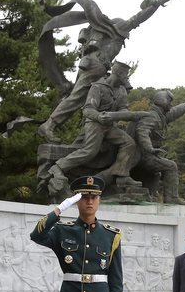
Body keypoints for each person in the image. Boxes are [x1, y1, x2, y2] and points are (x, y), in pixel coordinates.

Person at [37, 0, 185, 142]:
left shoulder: (102, 37)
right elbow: (137, 19)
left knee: (87, 98)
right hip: (97, 66)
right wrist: (156, 5)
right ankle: (49, 125)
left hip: (93, 65)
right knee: (77, 98)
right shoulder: (116, 30)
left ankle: (85, 135)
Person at [40, 62, 144, 197]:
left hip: (110, 126)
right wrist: (99, 117)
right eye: (125, 75)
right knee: (90, 151)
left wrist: (120, 115)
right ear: (118, 74)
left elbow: (123, 107)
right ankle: (58, 167)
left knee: (129, 143)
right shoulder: (97, 87)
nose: (126, 79)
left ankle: (121, 174)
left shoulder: (121, 90)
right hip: (94, 123)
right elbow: (88, 110)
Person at [128, 89, 185, 203]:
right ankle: (172, 198)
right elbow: (142, 133)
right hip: (141, 156)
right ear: (163, 101)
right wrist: (150, 148)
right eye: (169, 101)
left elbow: (175, 112)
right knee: (171, 166)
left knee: (156, 172)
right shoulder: (152, 117)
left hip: (147, 155)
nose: (171, 104)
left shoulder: (160, 117)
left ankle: (152, 197)